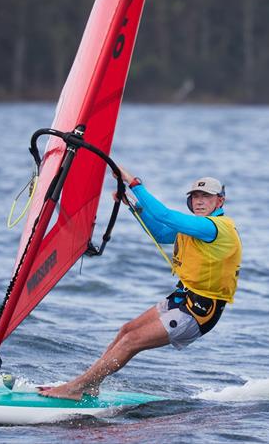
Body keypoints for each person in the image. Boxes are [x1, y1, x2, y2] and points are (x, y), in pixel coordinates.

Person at [39, 166, 242, 400]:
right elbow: (159, 232)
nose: (199, 201)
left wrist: (134, 183)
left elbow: (164, 215)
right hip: (182, 299)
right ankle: (90, 385)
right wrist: (133, 206)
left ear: (220, 201)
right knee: (126, 330)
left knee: (131, 342)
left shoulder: (214, 227)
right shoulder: (194, 228)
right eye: (195, 196)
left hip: (200, 312)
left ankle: (76, 388)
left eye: (206, 196)